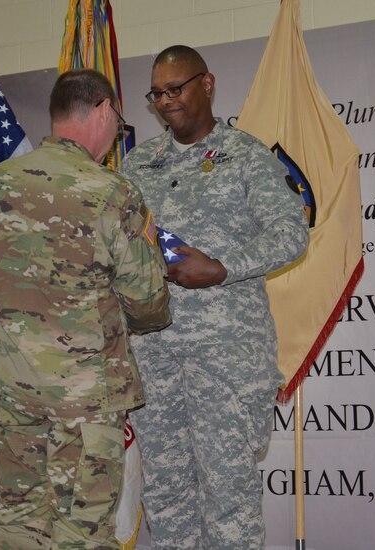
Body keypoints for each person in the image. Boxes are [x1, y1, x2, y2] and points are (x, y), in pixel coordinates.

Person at [0, 69, 171, 550]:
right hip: (85, 399)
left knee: (17, 523)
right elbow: (147, 299)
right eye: (117, 119)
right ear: (103, 109)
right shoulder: (112, 191)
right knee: (81, 533)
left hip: (13, 392)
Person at [121, 45, 309, 549]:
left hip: (226, 360)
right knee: (165, 496)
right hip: (155, 358)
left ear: (207, 84)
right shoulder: (138, 164)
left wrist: (223, 269)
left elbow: (292, 233)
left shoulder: (246, 155)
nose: (164, 101)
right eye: (156, 93)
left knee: (229, 500)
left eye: (174, 88)